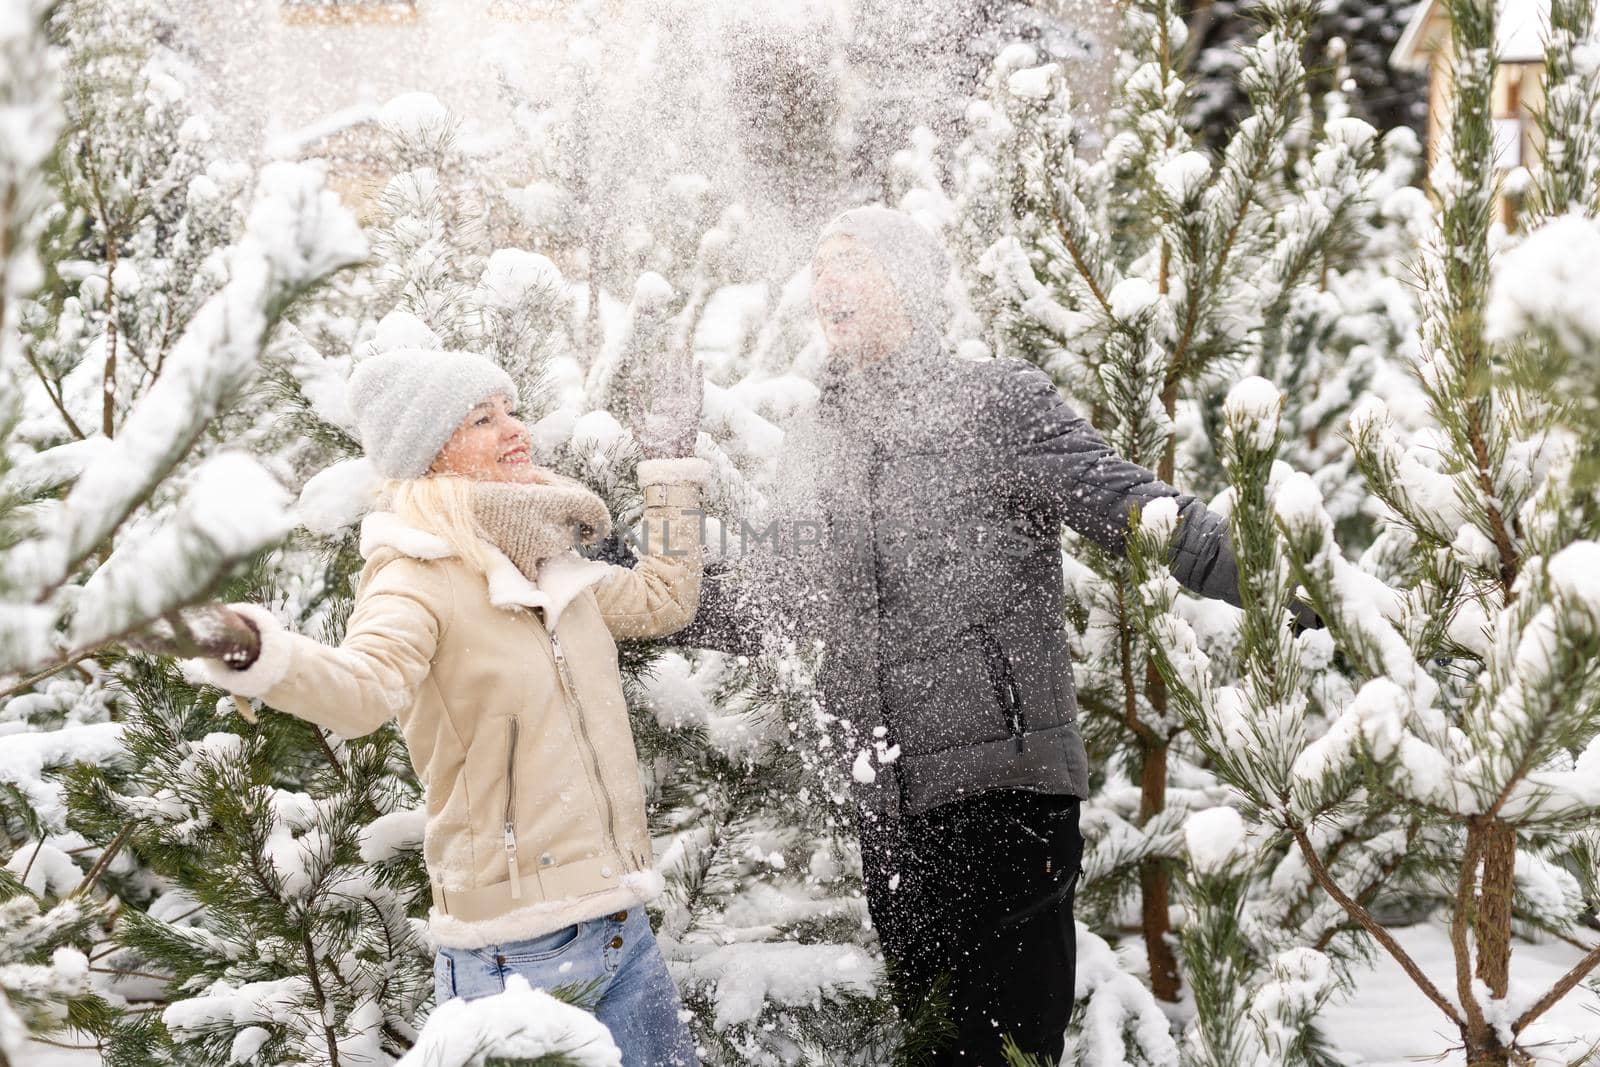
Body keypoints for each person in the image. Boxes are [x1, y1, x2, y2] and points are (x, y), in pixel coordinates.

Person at [670, 207, 1260, 1064]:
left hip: (1001, 796)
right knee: (936, 1047)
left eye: (853, 262)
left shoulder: (994, 404)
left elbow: (1140, 512)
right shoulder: (819, 438)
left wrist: (1289, 583)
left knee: (1008, 1053)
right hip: (892, 811)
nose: (827, 282)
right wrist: (621, 571)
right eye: (819, 266)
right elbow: (774, 598)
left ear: (907, 285)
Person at [138, 346, 708, 1067]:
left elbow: (663, 598)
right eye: (482, 417)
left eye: (511, 409)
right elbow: (361, 689)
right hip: (516, 950)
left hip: (621, 922)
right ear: (432, 453)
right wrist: (258, 653)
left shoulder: (550, 559)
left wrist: (670, 467)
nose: (514, 428)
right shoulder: (414, 577)